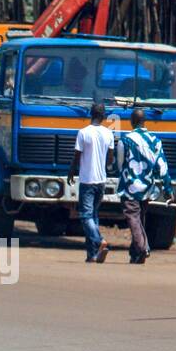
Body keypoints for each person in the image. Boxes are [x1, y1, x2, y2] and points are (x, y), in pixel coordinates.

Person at [117, 108, 171, 265]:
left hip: (130, 187)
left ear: (131, 122)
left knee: (133, 217)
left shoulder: (125, 140)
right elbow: (162, 167)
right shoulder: (155, 141)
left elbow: (120, 165)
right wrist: (168, 188)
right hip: (148, 188)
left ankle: (142, 248)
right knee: (140, 218)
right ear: (144, 121)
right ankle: (135, 254)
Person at [66, 102, 115, 263]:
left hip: (87, 180)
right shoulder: (109, 134)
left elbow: (77, 156)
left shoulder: (83, 132)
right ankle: (92, 255)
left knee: (85, 215)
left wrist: (72, 171)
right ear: (104, 116)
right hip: (101, 181)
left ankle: (99, 240)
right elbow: (110, 159)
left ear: (91, 114)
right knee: (93, 216)